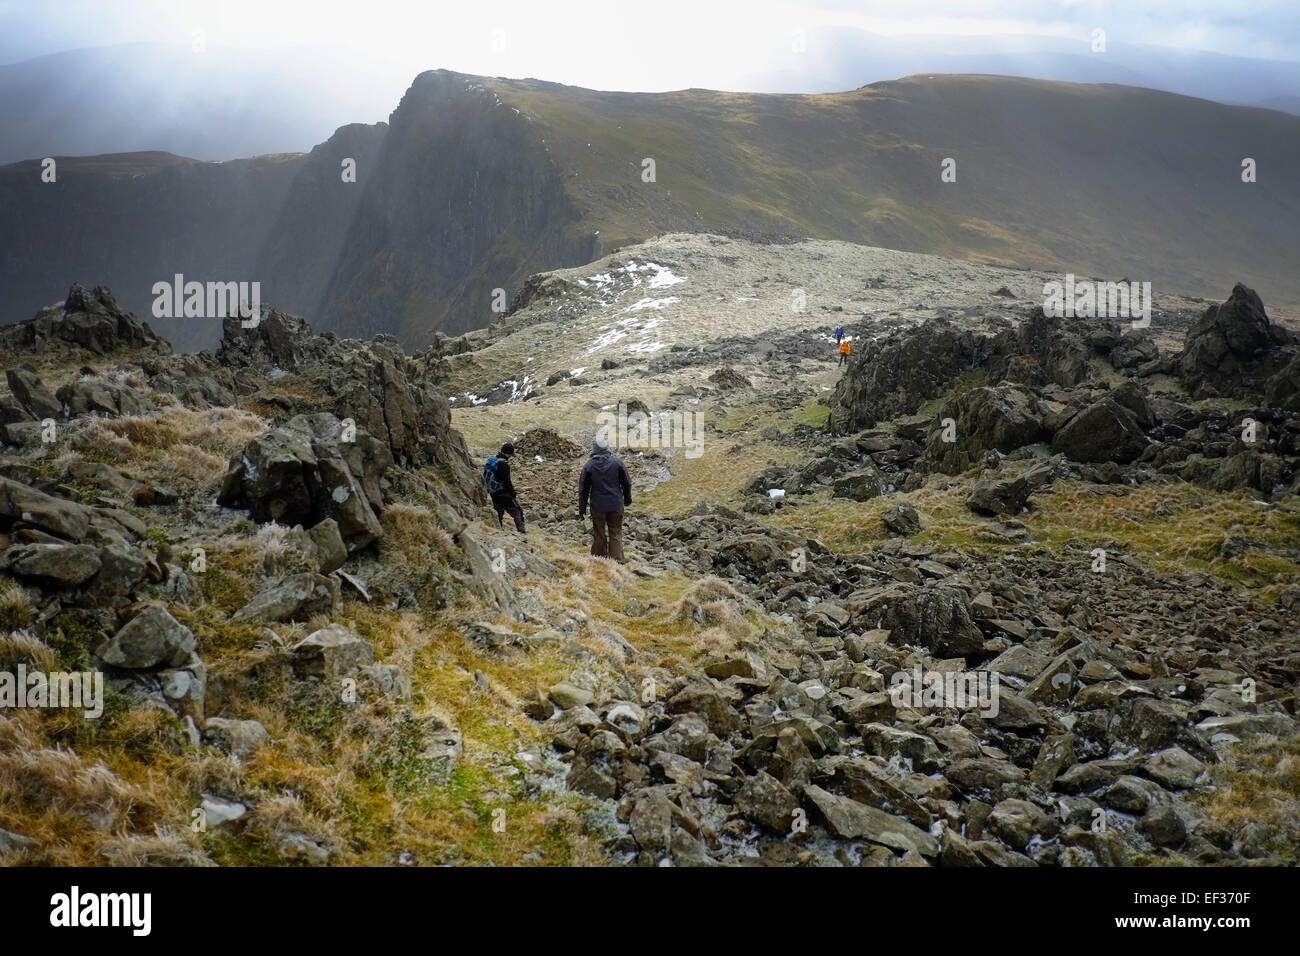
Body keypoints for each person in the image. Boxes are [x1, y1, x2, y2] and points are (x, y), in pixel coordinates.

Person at [578, 435, 632, 562]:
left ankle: (598, 561)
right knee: (615, 532)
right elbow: (627, 483)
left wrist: (582, 509)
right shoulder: (617, 462)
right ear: (606, 447)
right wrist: (627, 499)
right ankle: (617, 561)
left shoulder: (589, 465)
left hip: (597, 507)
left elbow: (583, 490)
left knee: (599, 533)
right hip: (615, 504)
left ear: (594, 448)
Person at [484, 442, 526, 535]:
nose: (510, 457)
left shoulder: (491, 460)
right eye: (511, 454)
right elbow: (506, 482)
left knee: (499, 511)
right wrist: (513, 494)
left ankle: (498, 531)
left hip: (492, 492)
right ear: (508, 453)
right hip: (502, 492)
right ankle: (522, 533)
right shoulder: (504, 465)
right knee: (517, 511)